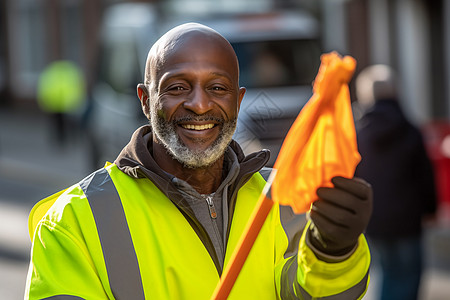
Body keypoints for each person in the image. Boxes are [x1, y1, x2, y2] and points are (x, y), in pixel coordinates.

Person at [25, 23, 372, 299]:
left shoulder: (287, 201)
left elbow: (318, 296)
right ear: (146, 101)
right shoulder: (72, 222)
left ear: (238, 102)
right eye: (177, 88)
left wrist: (332, 253)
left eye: (217, 88)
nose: (200, 105)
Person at [354, 65, 437, 300]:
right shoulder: (410, 130)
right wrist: (431, 209)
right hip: (408, 219)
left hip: (372, 219)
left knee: (384, 273)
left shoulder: (358, 133)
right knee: (409, 276)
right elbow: (424, 175)